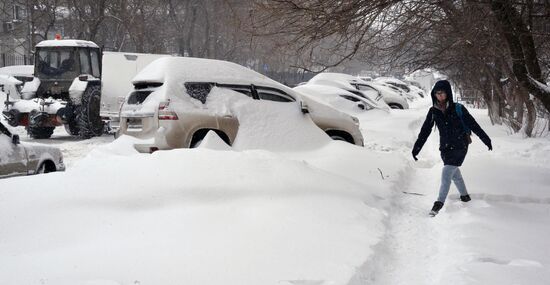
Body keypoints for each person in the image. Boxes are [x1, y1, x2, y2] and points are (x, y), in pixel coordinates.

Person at [412, 80, 492, 216]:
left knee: (446, 173)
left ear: (447, 93)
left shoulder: (458, 108)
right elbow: (425, 131)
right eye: (437, 93)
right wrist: (417, 148)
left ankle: (439, 203)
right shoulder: (433, 111)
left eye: (442, 93)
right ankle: (465, 196)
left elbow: (474, 125)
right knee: (454, 173)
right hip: (445, 148)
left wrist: (486, 139)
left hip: (460, 145)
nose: (440, 96)